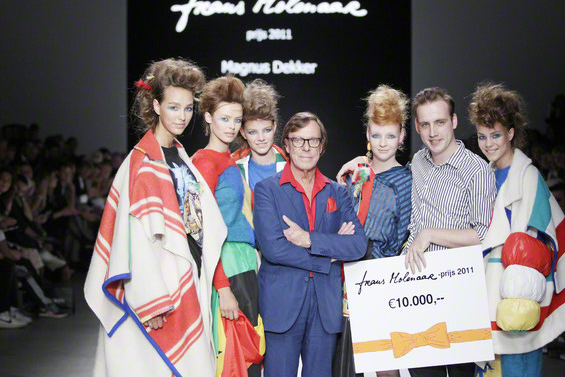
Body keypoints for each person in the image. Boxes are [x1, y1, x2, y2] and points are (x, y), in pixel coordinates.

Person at [84, 58, 226, 377]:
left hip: (187, 272)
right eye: (174, 107)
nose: (182, 116)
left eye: (188, 108)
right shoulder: (142, 163)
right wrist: (151, 299)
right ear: (157, 105)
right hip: (157, 291)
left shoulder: (178, 154)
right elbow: (132, 238)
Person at [468, 83, 565, 377]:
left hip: (517, 291)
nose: (489, 144)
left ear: (510, 133)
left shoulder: (529, 176)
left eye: (496, 135)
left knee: (518, 366)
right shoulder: (485, 175)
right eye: (482, 136)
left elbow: (540, 243)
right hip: (487, 289)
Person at [253, 112, 368, 377]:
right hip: (283, 305)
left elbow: (357, 245)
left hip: (325, 308)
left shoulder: (337, 192)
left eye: (313, 141)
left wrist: (309, 239)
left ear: (322, 146)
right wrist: (329, 254)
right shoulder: (266, 189)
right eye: (298, 140)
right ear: (287, 144)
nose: (306, 148)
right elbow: (274, 248)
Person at [404, 87, 495, 377]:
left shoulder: (477, 170)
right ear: (417, 126)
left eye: (440, 122)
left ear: (453, 121)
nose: (433, 132)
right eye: (425, 124)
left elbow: (483, 235)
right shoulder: (418, 162)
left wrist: (429, 234)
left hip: (459, 294)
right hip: (417, 291)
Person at [333, 85, 412, 377]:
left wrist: (380, 266)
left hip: (379, 273)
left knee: (383, 361)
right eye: (377, 135)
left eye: (390, 136)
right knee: (344, 361)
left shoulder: (405, 180)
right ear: (368, 133)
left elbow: (402, 232)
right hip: (344, 271)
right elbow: (339, 217)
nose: (383, 143)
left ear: (402, 136)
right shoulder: (357, 172)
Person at [191, 75, 264, 377]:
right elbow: (202, 232)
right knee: (232, 357)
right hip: (226, 264)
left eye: (237, 119)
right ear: (208, 117)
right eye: (224, 118)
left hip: (243, 262)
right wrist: (222, 289)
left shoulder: (229, 160)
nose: (232, 126)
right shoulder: (205, 162)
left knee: (247, 353)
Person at [232, 79, 287, 194]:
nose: (261, 138)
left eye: (267, 130)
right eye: (253, 132)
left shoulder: (291, 168)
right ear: (243, 132)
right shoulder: (234, 169)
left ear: (274, 127)